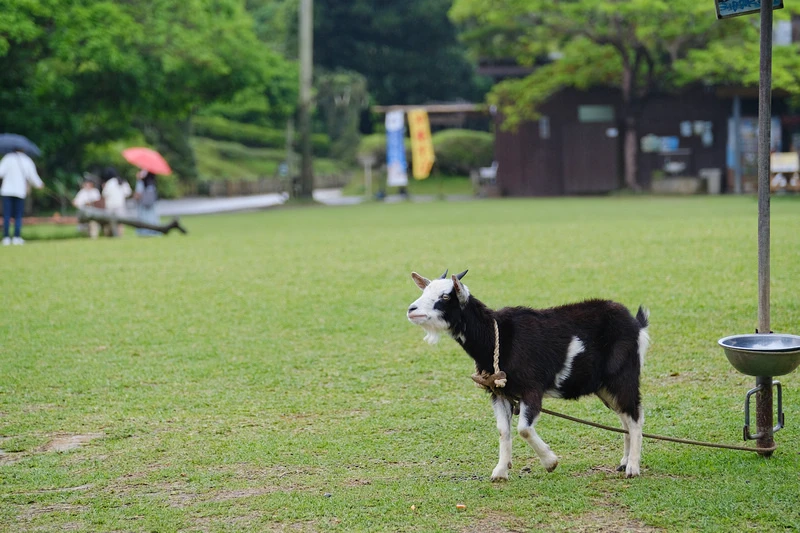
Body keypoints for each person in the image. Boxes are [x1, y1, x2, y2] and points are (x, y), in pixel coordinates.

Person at [0, 149, 44, 245]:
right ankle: (17, 237)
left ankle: (6, 237)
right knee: (18, 216)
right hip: (20, 191)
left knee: (6, 215)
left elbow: (0, 172)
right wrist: (39, 184)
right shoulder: (27, 160)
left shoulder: (7, 158)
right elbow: (32, 176)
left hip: (7, 191)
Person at [101, 166, 132, 237]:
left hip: (110, 206)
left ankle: (110, 235)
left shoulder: (109, 183)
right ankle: (119, 235)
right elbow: (128, 192)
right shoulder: (122, 182)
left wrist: (103, 187)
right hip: (120, 205)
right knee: (120, 223)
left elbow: (104, 194)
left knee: (110, 222)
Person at [134, 169, 160, 236]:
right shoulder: (152, 183)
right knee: (152, 217)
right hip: (151, 204)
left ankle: (145, 231)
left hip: (143, 205)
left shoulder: (141, 182)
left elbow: (138, 194)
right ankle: (153, 230)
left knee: (144, 217)